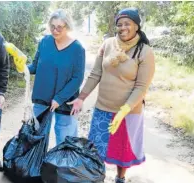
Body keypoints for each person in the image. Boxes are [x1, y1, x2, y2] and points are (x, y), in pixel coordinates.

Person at [69, 8, 155, 183]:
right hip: (103, 108)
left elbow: (141, 87)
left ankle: (120, 179)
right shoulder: (108, 44)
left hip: (128, 112)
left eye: (127, 24)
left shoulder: (145, 52)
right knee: (97, 149)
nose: (123, 27)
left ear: (136, 26)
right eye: (119, 24)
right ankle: (96, 177)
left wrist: (123, 110)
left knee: (122, 151)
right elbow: (95, 74)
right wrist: (81, 97)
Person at [28, 9, 85, 145]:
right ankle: (38, 165)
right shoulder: (44, 42)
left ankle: (62, 167)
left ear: (68, 27)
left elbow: (77, 78)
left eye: (59, 27)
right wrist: (22, 67)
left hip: (65, 101)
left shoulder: (77, 49)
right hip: (42, 99)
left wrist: (59, 98)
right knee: (37, 138)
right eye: (52, 26)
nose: (55, 30)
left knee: (65, 141)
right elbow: (35, 66)